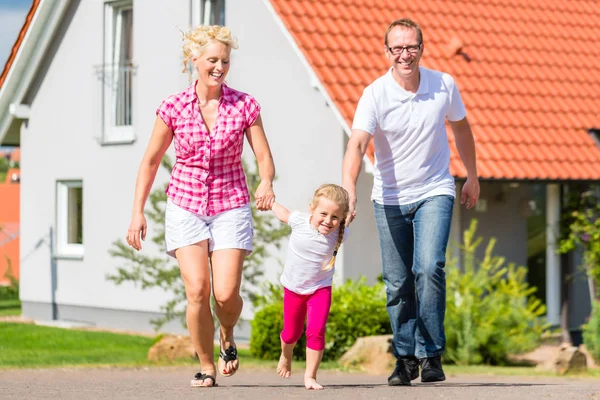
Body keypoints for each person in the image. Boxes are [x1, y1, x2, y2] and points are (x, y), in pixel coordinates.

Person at [125, 25, 276, 388]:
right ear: (194, 61)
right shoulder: (174, 107)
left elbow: (264, 157)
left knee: (225, 295)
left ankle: (227, 331)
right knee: (197, 290)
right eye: (212, 60)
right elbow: (149, 161)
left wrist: (267, 181)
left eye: (225, 60)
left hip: (230, 204)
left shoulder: (245, 105)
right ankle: (207, 365)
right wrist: (137, 211)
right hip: (185, 204)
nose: (219, 67)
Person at [342, 18, 480, 386]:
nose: (405, 54)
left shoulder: (443, 85)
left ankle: (431, 354)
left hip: (435, 189)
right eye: (397, 48)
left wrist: (472, 174)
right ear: (386, 52)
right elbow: (356, 144)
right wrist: (349, 189)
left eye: (411, 47)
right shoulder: (375, 94)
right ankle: (405, 358)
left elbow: (462, 128)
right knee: (398, 283)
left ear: (422, 48)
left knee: (429, 266)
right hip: (388, 197)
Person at [271, 184, 349, 390]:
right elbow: (283, 214)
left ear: (341, 219)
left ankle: (310, 376)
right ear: (312, 209)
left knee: (316, 331)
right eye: (323, 213)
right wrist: (269, 201)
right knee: (291, 333)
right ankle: (286, 356)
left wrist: (349, 212)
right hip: (294, 289)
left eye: (335, 217)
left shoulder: (341, 233)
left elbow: (347, 218)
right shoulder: (299, 222)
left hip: (320, 289)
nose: (328, 221)